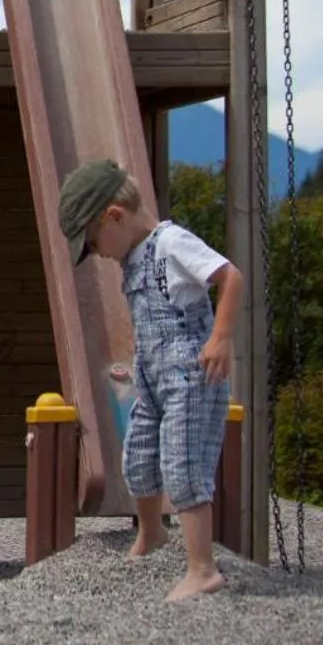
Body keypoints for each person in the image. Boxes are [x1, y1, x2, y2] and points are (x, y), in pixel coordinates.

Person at [58, 158, 246, 602]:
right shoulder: (134, 257)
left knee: (181, 469)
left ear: (115, 217)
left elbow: (230, 277)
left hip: (188, 375)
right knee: (138, 459)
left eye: (93, 242)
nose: (98, 253)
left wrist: (220, 339)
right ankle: (152, 535)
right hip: (152, 374)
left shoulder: (173, 242)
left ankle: (203, 570)